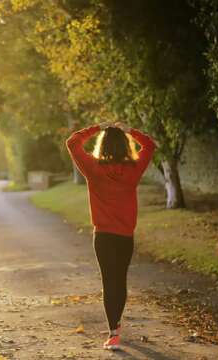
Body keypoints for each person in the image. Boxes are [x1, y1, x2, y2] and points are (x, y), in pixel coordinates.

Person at [66, 121, 156, 351]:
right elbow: (150, 145)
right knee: (120, 280)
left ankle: (113, 333)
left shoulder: (93, 168)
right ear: (125, 146)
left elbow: (73, 142)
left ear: (102, 145)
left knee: (109, 281)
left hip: (103, 236)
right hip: (125, 236)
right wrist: (130, 130)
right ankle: (116, 326)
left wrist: (97, 127)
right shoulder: (133, 169)